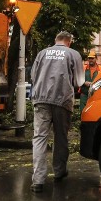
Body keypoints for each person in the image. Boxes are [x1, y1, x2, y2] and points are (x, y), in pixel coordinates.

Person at [30, 31, 84, 192]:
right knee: (61, 137)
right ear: (69, 42)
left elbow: (33, 76)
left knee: (39, 138)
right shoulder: (73, 54)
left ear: (56, 40)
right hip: (62, 100)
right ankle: (59, 172)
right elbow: (79, 80)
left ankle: (38, 181)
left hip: (41, 99)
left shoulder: (42, 53)